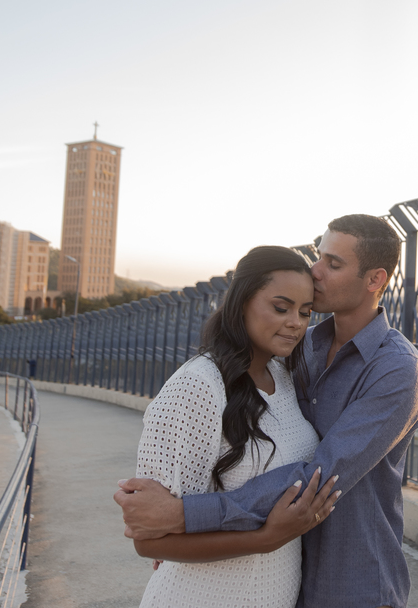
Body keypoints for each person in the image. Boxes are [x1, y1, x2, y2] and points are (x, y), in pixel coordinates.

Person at [117, 215, 418, 608]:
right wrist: (176, 531)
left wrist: (184, 515)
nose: (315, 272)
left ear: (374, 280)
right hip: (277, 582)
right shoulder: (298, 351)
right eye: (319, 257)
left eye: (333, 264)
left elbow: (319, 475)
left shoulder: (397, 370)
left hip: (354, 583)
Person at [128, 245, 340, 608]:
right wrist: (265, 538)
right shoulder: (198, 385)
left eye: (305, 312)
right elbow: (149, 540)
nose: (296, 323)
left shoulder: (283, 376)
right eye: (280, 307)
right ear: (242, 302)